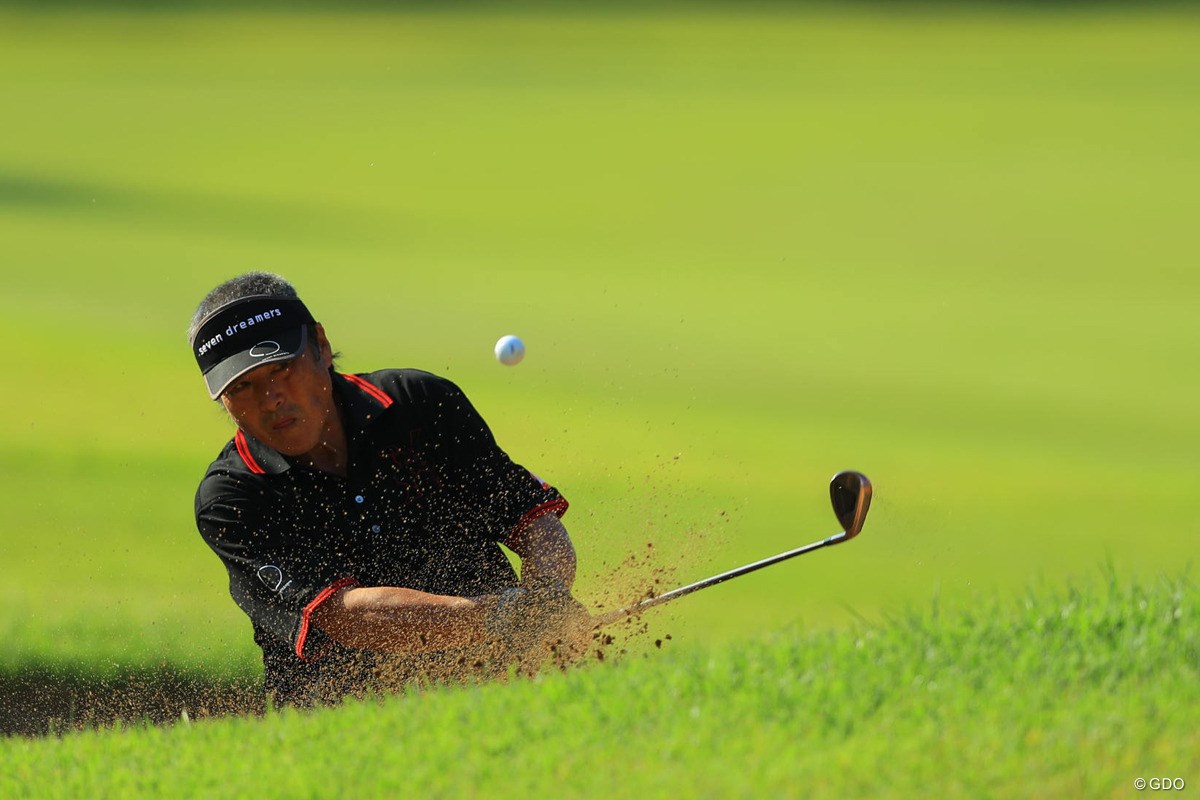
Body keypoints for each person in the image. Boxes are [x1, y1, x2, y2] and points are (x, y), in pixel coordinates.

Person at [188, 271, 590, 706]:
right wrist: (503, 616)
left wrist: (546, 599)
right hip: (342, 721)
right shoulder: (231, 498)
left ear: (320, 345)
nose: (270, 399)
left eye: (282, 369)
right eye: (242, 386)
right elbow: (346, 615)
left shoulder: (420, 403)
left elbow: (532, 522)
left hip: (503, 687)